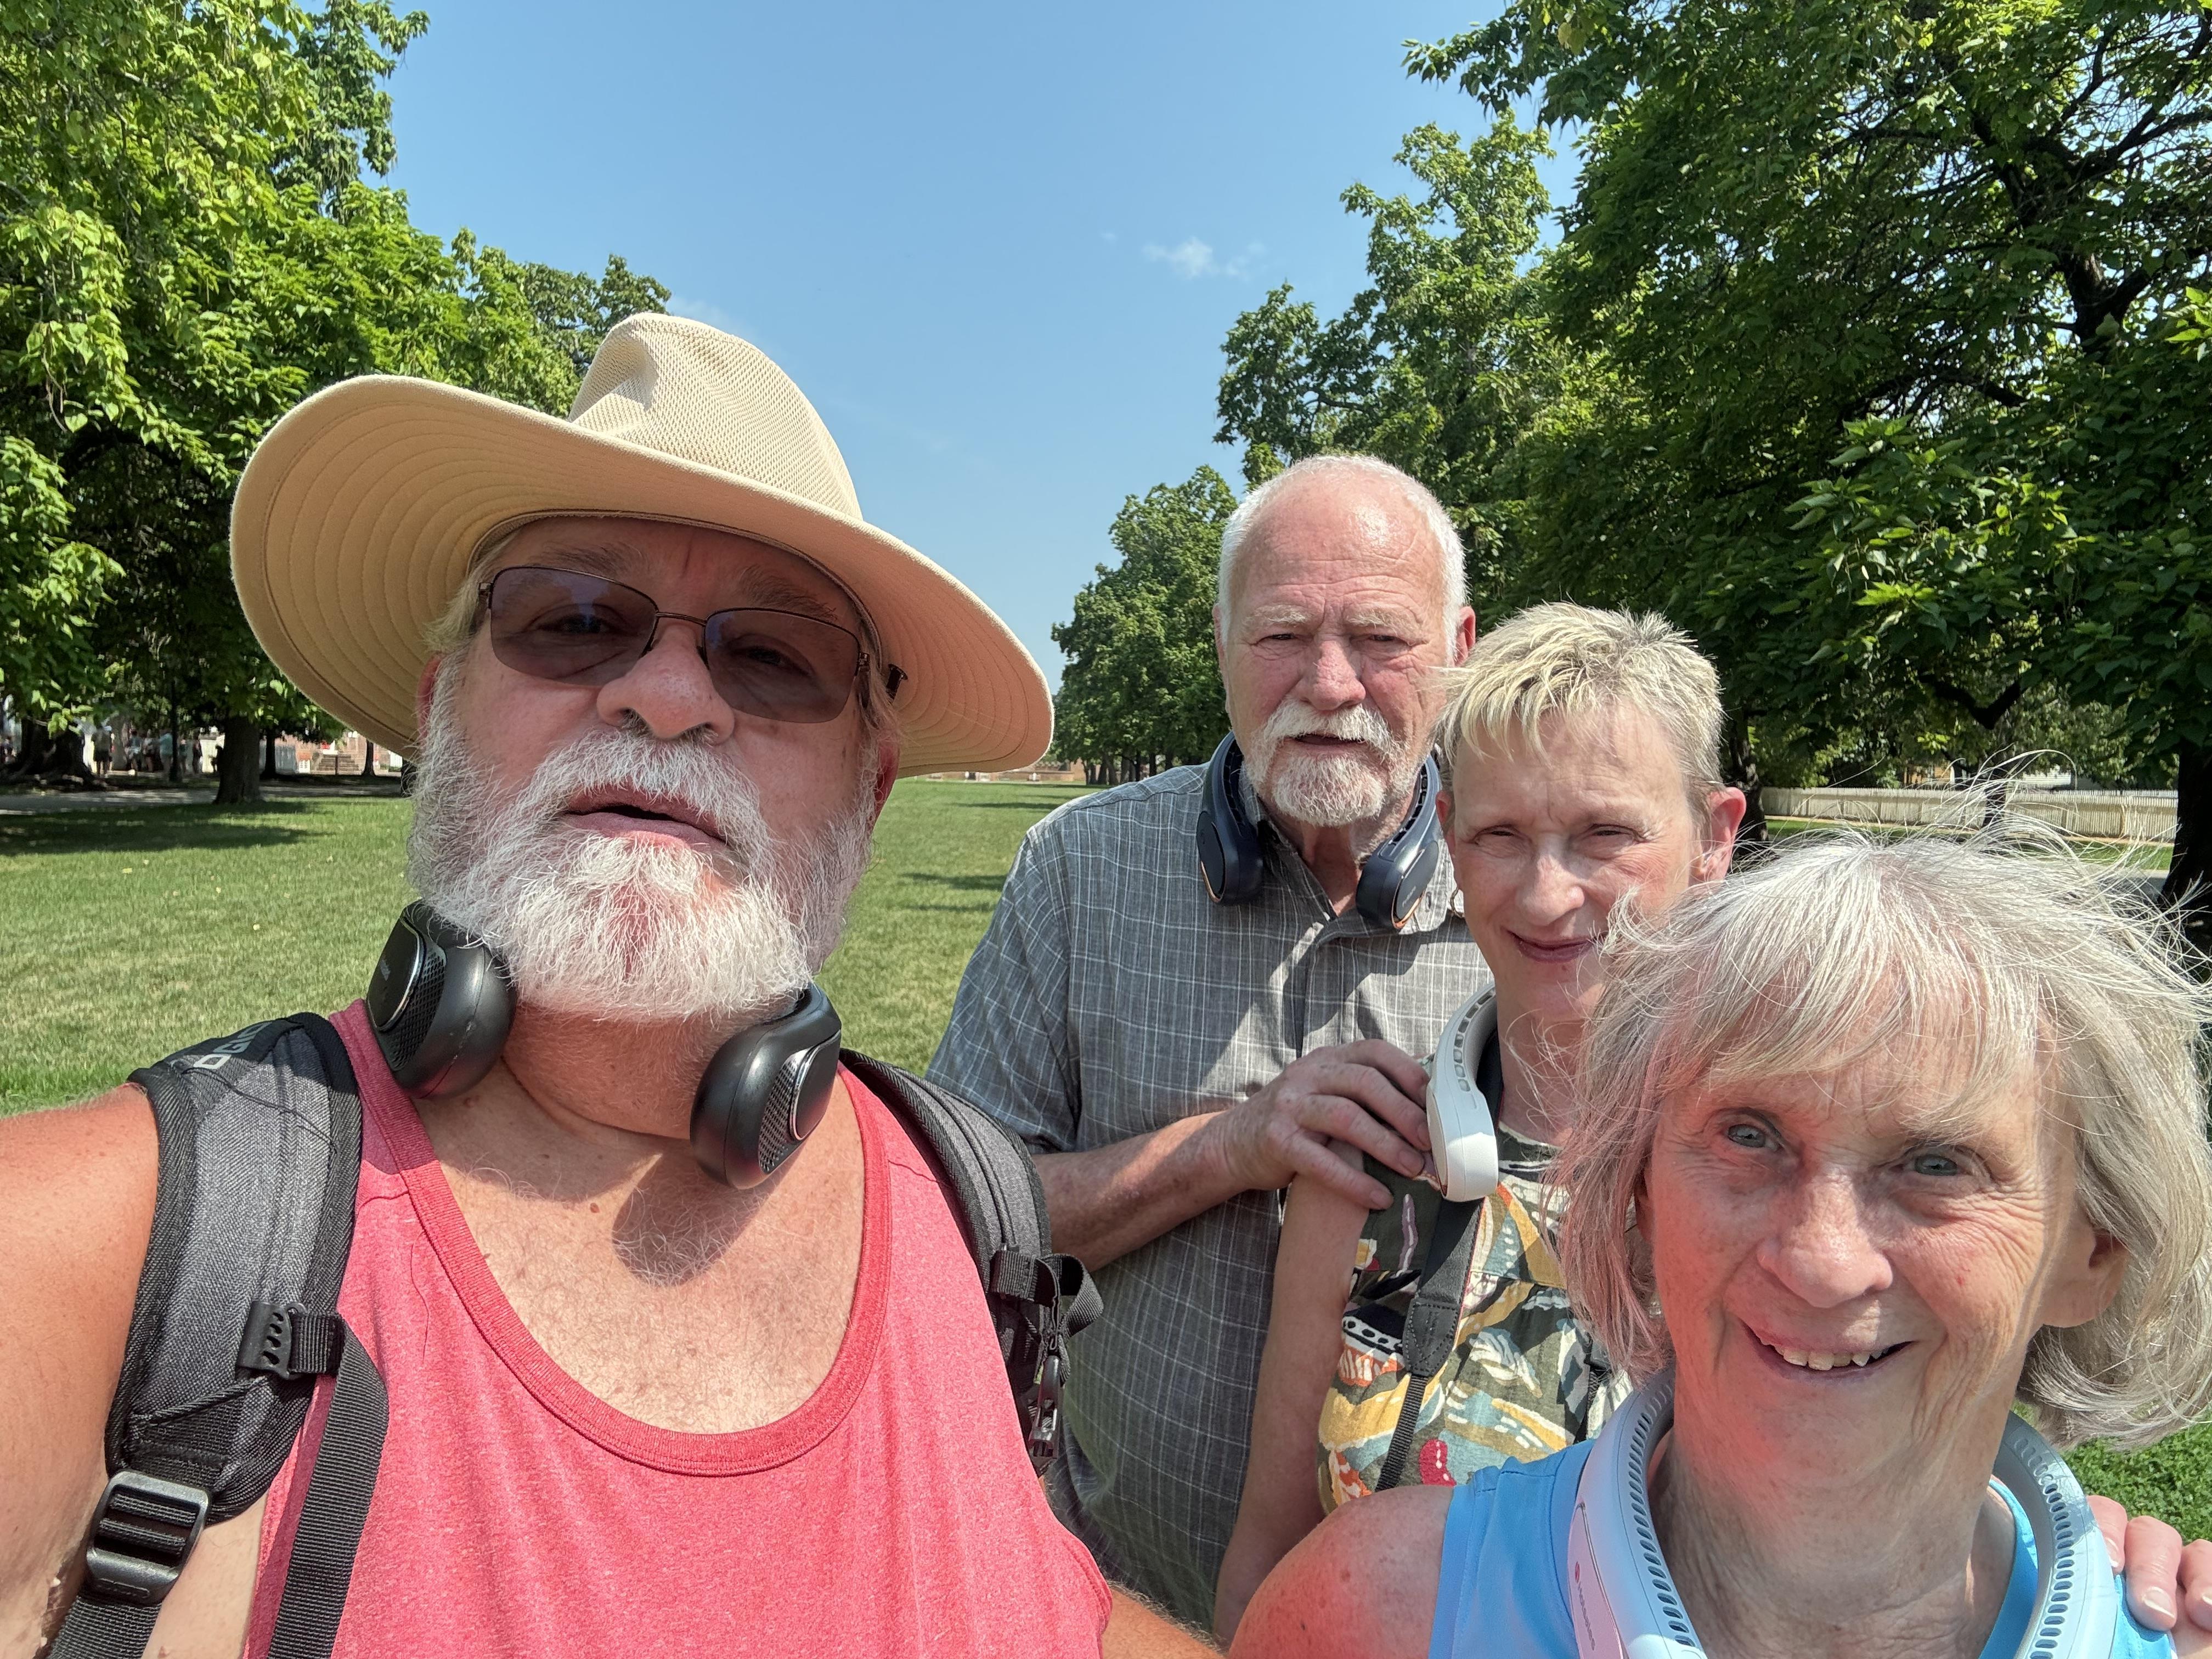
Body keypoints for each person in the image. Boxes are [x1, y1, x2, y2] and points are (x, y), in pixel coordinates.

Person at [0, 315, 1206, 1658]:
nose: (670, 696)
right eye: (574, 620)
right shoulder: (115, 1252)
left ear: (867, 793)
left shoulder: (970, 1209)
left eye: (773, 656)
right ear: (440, 711)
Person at [1233, 828, 2212, 1657]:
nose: (1822, 1262)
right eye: (1750, 1136)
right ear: (1642, 1196)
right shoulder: (1381, 1611)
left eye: (1937, 1164)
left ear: (2095, 1251)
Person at [931, 453, 1491, 1624]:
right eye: (1282, 634)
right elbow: (955, 1221)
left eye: (1380, 639)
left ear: (1459, 648)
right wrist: (1232, 1146)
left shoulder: (1539, 905)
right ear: (1224, 644)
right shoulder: (1082, 868)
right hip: (1116, 1598)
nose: (1329, 683)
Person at [1215, 603, 1747, 1638]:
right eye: (1502, 836)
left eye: (1605, 835)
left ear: (1715, 837)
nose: (1546, 898)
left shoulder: (1791, 1188)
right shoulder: (1370, 1161)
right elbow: (1269, 1567)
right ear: (1451, 837)